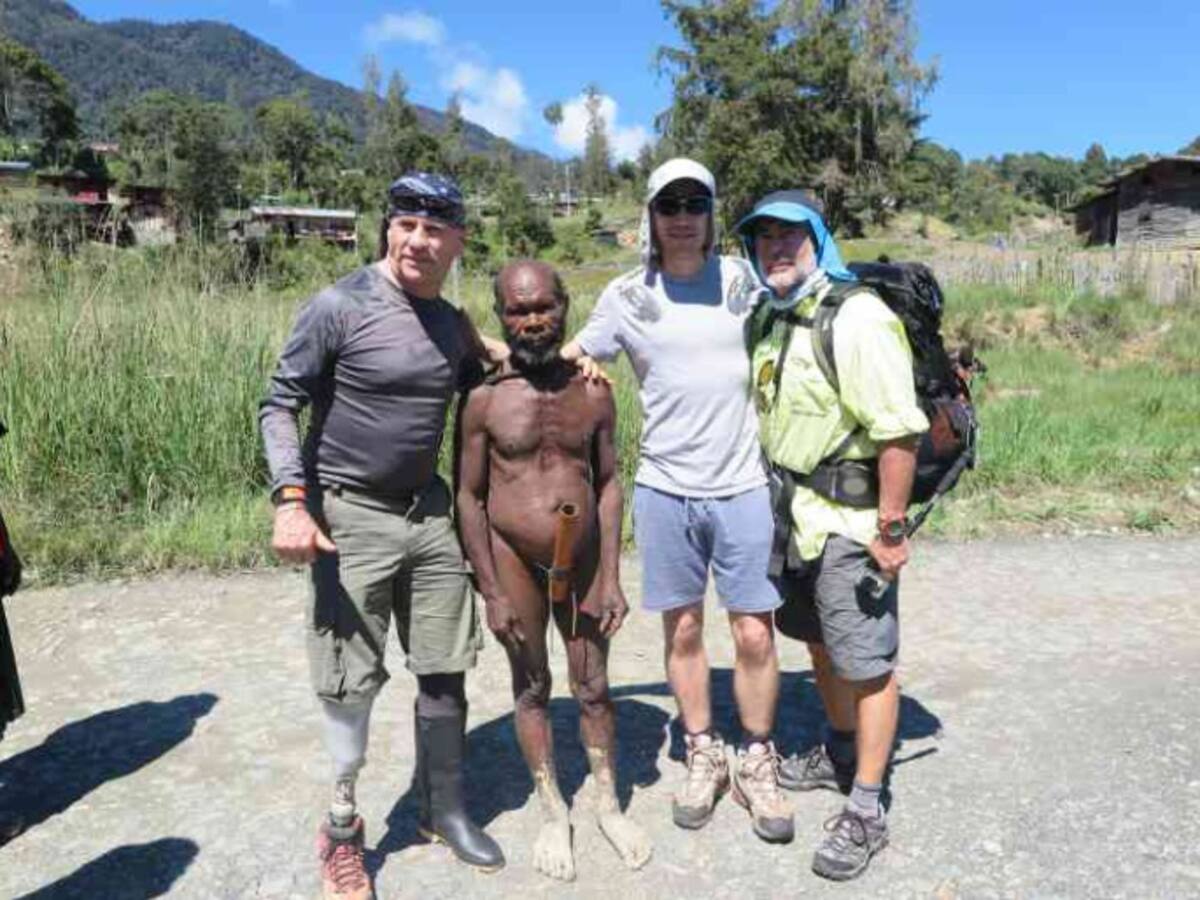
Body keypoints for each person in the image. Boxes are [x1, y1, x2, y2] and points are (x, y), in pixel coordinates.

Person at [259, 173, 504, 900]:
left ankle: (444, 810)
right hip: (347, 512)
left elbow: (491, 364)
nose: (418, 242)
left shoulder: (450, 322)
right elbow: (280, 403)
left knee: (444, 660)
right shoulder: (342, 305)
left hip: (426, 512)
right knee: (349, 679)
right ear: (387, 230)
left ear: (458, 243)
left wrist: (568, 361)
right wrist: (290, 501)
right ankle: (341, 829)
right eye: (406, 226)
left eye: (435, 231)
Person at [560, 159, 793, 844]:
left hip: (744, 484)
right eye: (669, 205)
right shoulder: (629, 297)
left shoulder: (744, 283)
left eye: (696, 203)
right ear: (651, 217)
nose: (683, 216)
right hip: (665, 490)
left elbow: (806, 309)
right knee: (684, 629)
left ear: (713, 213)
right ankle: (701, 749)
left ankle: (755, 757)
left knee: (754, 631)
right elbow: (568, 356)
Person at [736, 191, 929, 881]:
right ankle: (841, 747)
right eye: (764, 240)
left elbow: (899, 428)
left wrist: (891, 526)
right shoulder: (769, 316)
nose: (777, 249)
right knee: (820, 644)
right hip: (793, 522)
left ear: (818, 241)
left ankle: (868, 806)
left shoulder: (858, 317)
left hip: (851, 525)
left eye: (792, 238)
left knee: (868, 664)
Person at [455, 259, 653, 881]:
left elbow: (612, 481)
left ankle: (607, 803)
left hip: (584, 551)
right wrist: (490, 588)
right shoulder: (484, 398)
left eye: (544, 307)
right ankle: (550, 811)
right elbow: (469, 496)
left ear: (565, 308)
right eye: (518, 310)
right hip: (513, 556)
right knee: (532, 685)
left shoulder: (594, 390)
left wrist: (614, 575)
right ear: (502, 317)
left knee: (593, 684)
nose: (533, 320)